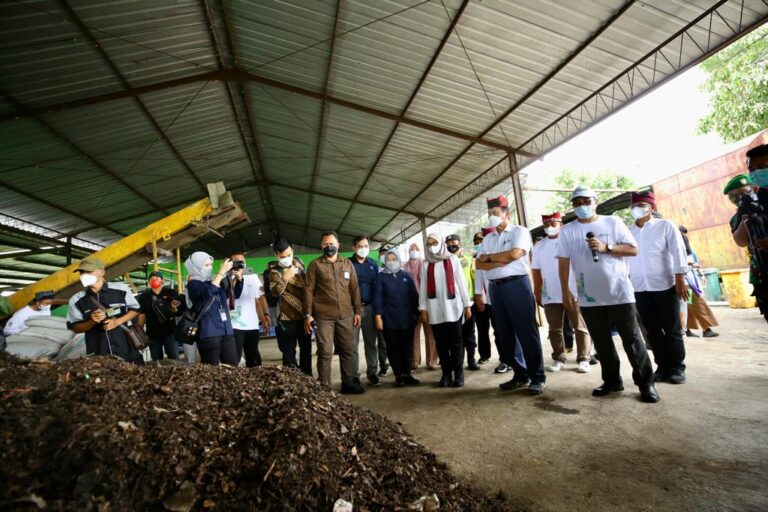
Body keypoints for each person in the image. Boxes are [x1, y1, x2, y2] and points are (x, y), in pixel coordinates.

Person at [557, 186, 658, 403]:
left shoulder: (611, 222)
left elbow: (633, 249)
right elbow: (564, 262)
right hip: (589, 295)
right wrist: (565, 291)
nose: (582, 206)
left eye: (586, 201)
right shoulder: (567, 231)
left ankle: (645, 383)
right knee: (601, 341)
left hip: (619, 292)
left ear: (595, 201)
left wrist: (606, 247)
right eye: (577, 203)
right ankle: (612, 381)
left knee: (631, 339)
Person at [476, 195, 545, 395]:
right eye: (489, 214)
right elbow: (479, 264)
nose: (491, 217)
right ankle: (520, 374)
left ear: (507, 213)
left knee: (526, 332)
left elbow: (515, 255)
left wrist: (490, 258)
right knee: (504, 334)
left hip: (517, 285)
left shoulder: (519, 232)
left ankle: (537, 377)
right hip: (495, 289)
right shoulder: (488, 238)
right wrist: (498, 259)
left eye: (495, 213)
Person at [627, 191, 690, 385]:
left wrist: (680, 279)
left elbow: (678, 252)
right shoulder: (627, 231)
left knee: (672, 329)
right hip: (639, 287)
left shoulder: (665, 226)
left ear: (651, 208)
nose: (637, 208)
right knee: (652, 330)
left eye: (642, 205)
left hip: (666, 284)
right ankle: (662, 366)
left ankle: (677, 368)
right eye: (634, 205)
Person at [531, 212, 593, 374]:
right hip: (550, 293)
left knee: (580, 327)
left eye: (554, 223)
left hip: (573, 291)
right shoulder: (539, 247)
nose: (550, 227)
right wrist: (537, 292)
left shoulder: (570, 241)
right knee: (554, 329)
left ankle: (583, 358)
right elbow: (536, 271)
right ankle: (559, 358)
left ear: (561, 224)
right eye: (547, 224)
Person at [305, 231, 364, 394]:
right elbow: (308, 290)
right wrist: (308, 315)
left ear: (338, 245)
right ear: (321, 246)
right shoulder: (315, 265)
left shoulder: (347, 264)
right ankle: (325, 387)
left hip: (346, 315)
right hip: (323, 317)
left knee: (347, 349)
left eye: (332, 243)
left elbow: (354, 288)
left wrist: (357, 311)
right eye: (326, 244)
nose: (329, 246)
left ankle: (348, 382)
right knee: (325, 352)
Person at [66, 257, 143, 363]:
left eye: (89, 271)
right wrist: (92, 321)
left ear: (102, 272)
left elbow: (135, 309)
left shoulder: (120, 290)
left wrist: (117, 322)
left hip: (127, 350)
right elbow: (75, 328)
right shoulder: (76, 300)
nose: (84, 275)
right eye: (81, 272)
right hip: (99, 355)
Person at [419, 233, 472, 387]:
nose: (431, 246)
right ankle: (446, 374)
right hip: (434, 309)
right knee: (441, 343)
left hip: (453, 307)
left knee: (456, 342)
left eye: (434, 242)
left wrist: (467, 304)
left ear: (441, 243)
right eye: (429, 244)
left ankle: (458, 373)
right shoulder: (426, 264)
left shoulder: (452, 259)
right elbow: (423, 288)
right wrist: (423, 308)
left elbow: (461, 283)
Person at [726, 148, 768, 323]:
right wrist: (747, 217)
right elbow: (740, 240)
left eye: (763, 166)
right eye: (752, 169)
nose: (757, 172)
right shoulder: (755, 200)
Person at [374, 249, 420, 386]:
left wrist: (416, 314)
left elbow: (414, 297)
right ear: (385, 261)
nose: (392, 261)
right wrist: (378, 316)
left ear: (399, 259)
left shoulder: (406, 275)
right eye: (389, 259)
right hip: (390, 320)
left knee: (407, 347)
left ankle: (407, 374)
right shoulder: (381, 277)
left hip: (407, 319)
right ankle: (398, 375)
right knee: (393, 348)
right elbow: (378, 298)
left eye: (394, 259)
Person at [184, 252, 238, 366]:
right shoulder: (193, 285)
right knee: (211, 369)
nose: (210, 268)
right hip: (208, 332)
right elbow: (208, 293)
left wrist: (235, 277)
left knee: (232, 365)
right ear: (195, 267)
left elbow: (233, 294)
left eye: (211, 265)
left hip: (226, 330)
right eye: (206, 265)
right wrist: (221, 273)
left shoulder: (214, 281)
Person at [269, 239, 313, 375]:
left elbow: (307, 286)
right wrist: (285, 279)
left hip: (304, 315)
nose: (286, 259)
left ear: (292, 251)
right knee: (288, 353)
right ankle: (292, 380)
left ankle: (307, 378)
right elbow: (275, 292)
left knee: (306, 349)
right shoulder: (274, 271)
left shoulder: (299, 263)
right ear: (276, 255)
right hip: (286, 318)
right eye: (282, 257)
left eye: (288, 255)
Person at [350, 235, 387, 386]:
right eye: (360, 246)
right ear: (354, 247)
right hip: (353, 310)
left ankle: (372, 372)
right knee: (352, 345)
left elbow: (377, 289)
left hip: (370, 308)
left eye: (366, 246)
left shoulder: (373, 264)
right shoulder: (347, 264)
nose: (363, 249)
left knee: (371, 342)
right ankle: (353, 375)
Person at [229, 253, 271, 367]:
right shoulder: (226, 278)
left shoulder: (252, 277)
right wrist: (236, 278)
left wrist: (265, 317)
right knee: (234, 359)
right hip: (234, 325)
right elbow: (228, 296)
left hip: (252, 325)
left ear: (245, 263)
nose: (238, 264)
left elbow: (258, 299)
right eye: (234, 261)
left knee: (253, 358)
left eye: (240, 261)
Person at [446, 234, 480, 371]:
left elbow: (474, 278)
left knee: (469, 334)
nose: (451, 245)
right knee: (456, 336)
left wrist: (476, 297)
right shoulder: (445, 261)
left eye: (454, 242)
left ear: (459, 243)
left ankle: (471, 360)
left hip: (469, 303)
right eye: (448, 243)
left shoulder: (468, 259)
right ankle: (457, 364)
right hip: (453, 304)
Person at [679, 226, 720, 338]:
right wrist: (692, 265)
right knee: (697, 304)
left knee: (689, 305)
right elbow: (689, 263)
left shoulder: (687, 248)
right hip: (685, 281)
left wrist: (700, 273)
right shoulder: (679, 246)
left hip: (689, 280)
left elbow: (693, 263)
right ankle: (706, 329)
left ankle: (688, 329)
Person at [404, 242, 438, 370]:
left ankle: (432, 360)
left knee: (430, 332)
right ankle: (415, 361)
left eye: (416, 249)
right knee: (414, 333)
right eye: (411, 249)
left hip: (426, 301)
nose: (414, 251)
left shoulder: (425, 264)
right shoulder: (404, 266)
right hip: (410, 303)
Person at [136, 272, 185, 361]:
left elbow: (179, 313)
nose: (155, 281)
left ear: (162, 281)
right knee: (156, 359)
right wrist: (140, 331)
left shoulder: (171, 293)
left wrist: (174, 309)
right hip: (152, 333)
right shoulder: (144, 296)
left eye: (157, 279)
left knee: (173, 357)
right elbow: (142, 314)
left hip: (170, 331)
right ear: (149, 282)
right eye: (152, 279)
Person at [471, 231, 493, 365]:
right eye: (476, 243)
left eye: (481, 241)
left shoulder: (492, 256)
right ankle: (484, 355)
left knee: (499, 329)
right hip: (479, 299)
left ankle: (505, 359)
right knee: (482, 329)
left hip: (493, 298)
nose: (479, 244)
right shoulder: (471, 259)